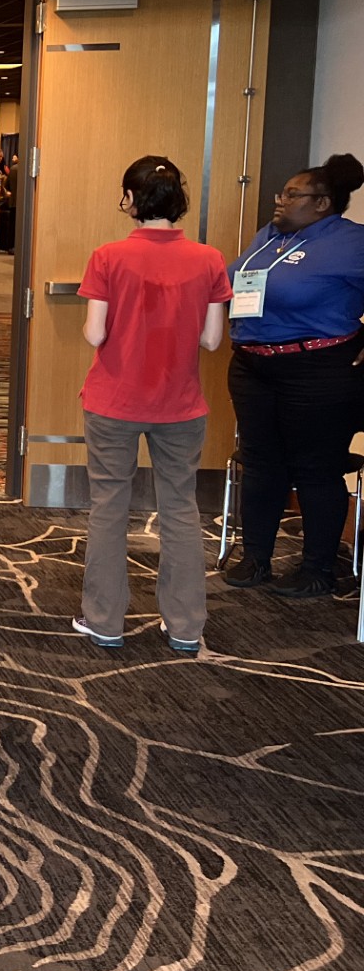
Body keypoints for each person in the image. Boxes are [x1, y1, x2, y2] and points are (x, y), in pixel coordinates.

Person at [73, 156, 230, 654]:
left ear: (131, 199)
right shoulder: (209, 259)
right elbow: (210, 341)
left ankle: (104, 620)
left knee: (109, 506)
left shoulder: (108, 256)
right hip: (180, 404)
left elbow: (95, 332)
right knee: (181, 508)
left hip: (113, 401)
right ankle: (185, 627)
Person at [224, 152, 364, 602]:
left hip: (317, 370)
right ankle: (255, 557)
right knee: (262, 464)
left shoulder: (351, 242)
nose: (279, 200)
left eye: (290, 194)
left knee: (315, 469)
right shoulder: (271, 236)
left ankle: (317, 569)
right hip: (253, 365)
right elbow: (237, 282)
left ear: (322, 203)